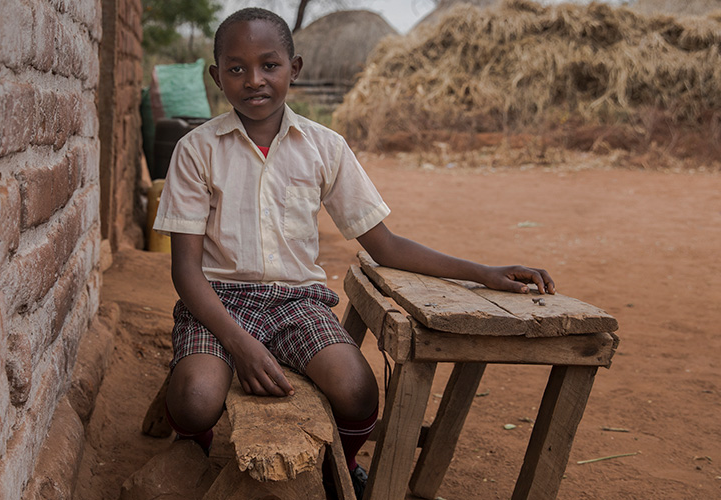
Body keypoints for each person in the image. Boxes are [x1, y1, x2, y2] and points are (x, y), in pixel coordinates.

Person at [152, 7, 555, 498]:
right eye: (237, 69)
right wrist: (240, 345)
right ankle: (193, 449)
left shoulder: (324, 147)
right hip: (217, 300)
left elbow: (384, 244)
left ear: (294, 69)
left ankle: (338, 466)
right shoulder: (196, 150)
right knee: (196, 398)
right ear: (218, 77)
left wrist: (482, 272)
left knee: (357, 389)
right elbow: (185, 271)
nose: (254, 80)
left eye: (269, 65)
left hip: (296, 304)